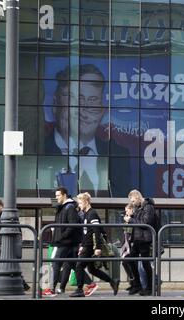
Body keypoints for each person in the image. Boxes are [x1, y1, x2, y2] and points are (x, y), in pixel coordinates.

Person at [44, 64, 130, 197]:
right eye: (75, 100)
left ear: (102, 110)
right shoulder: (40, 150)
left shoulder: (119, 155)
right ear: (55, 105)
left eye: (92, 101)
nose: (83, 111)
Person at [70, 193, 119, 297]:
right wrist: (82, 245)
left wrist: (97, 248)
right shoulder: (86, 214)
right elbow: (86, 232)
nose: (79, 205)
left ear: (86, 202)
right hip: (87, 245)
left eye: (80, 202)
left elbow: (97, 231)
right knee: (92, 269)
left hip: (91, 246)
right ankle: (112, 282)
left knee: (79, 266)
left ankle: (79, 290)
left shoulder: (92, 214)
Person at [0, 199, 30, 294]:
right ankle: (23, 284)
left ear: (0, 206)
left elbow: (9, 230)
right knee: (11, 265)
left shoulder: (6, 216)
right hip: (2, 246)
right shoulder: (1, 216)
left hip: (5, 246)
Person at [42, 187, 83, 297]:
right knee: (74, 265)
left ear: (64, 195)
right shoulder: (63, 207)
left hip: (64, 242)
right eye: (56, 195)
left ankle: (51, 289)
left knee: (55, 263)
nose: (56, 197)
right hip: (67, 242)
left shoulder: (69, 207)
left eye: (58, 195)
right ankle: (87, 285)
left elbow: (72, 225)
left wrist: (61, 237)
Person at [124, 189, 156, 296]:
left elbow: (146, 222)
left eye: (133, 201)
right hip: (137, 239)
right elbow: (138, 222)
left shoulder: (148, 207)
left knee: (145, 264)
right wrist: (130, 218)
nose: (132, 203)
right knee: (130, 259)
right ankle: (137, 285)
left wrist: (131, 220)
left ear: (138, 197)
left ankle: (150, 287)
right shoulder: (138, 208)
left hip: (145, 239)